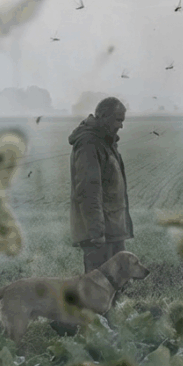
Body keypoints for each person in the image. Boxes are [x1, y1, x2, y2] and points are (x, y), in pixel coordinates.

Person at [68, 96, 133, 273]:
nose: (121, 125)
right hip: (99, 233)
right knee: (98, 287)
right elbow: (88, 190)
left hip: (110, 228)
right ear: (104, 116)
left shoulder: (105, 140)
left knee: (116, 282)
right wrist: (96, 232)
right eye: (118, 120)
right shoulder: (89, 143)